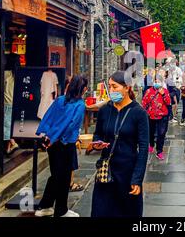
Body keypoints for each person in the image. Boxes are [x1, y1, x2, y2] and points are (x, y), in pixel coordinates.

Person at [91, 71, 149, 217]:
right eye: (109, 87)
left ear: (127, 87)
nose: (111, 91)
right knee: (101, 210)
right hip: (106, 170)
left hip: (128, 171)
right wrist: (97, 143)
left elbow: (143, 148)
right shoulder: (105, 110)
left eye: (114, 87)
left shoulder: (139, 113)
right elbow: (97, 134)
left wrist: (137, 178)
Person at [35, 75, 88, 217]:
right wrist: (61, 138)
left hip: (52, 144)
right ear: (83, 89)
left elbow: (48, 118)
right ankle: (61, 210)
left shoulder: (59, 100)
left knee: (55, 176)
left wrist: (49, 137)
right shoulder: (80, 105)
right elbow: (72, 126)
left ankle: (44, 207)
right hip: (65, 144)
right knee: (64, 178)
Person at [142, 74, 171, 160]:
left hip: (162, 116)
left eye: (159, 81)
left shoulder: (165, 91)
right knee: (150, 132)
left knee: (161, 134)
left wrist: (163, 95)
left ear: (162, 82)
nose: (157, 83)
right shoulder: (148, 91)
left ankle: (159, 151)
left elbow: (168, 102)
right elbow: (144, 102)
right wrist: (144, 113)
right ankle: (151, 145)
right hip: (150, 116)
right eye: (155, 81)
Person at [3, 53, 20, 155]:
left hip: (7, 102)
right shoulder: (18, 74)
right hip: (15, 103)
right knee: (10, 125)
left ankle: (13, 143)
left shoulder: (6, 74)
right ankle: (8, 148)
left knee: (6, 125)